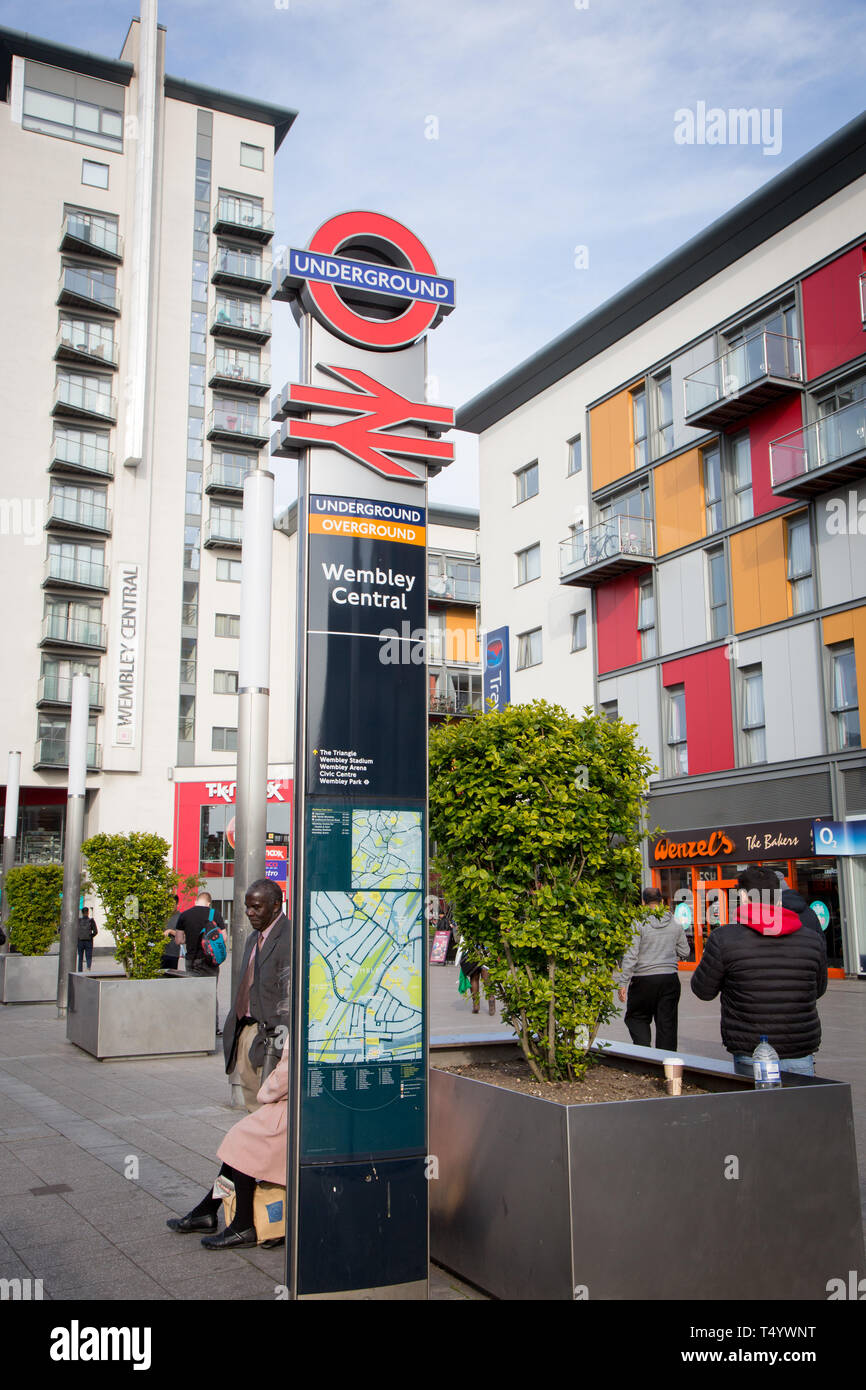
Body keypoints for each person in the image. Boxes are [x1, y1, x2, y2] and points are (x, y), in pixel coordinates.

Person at [691, 865, 827, 1075]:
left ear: (744, 897)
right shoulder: (812, 940)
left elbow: (703, 990)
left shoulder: (724, 939)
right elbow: (818, 989)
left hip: (750, 1047)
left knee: (754, 1107)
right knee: (800, 1106)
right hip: (800, 1047)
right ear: (779, 899)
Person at [166, 1038, 288, 1250]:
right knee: (240, 1143)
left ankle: (241, 1223)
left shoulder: (308, 1019)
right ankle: (208, 1210)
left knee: (243, 1142)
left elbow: (285, 1075)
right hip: (305, 1106)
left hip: (296, 1110)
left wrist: (266, 1090)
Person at [223, 879, 291, 1111]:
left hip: (271, 1039)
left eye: (256, 907)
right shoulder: (254, 937)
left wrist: (281, 1046)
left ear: (275, 905)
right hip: (247, 1032)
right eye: (247, 906)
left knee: (269, 1110)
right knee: (253, 1106)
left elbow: (288, 997)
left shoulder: (290, 938)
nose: (249, 913)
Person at [617, 887, 690, 1051]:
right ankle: (667, 1064)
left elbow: (631, 955)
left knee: (637, 1017)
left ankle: (645, 1054)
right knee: (667, 1024)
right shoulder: (675, 922)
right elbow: (685, 951)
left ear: (643, 902)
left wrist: (623, 982)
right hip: (669, 978)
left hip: (643, 980)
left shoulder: (638, 922)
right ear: (662, 901)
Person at [169, 891, 226, 1033]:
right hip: (210, 960)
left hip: (191, 959)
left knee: (193, 992)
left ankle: (194, 1026)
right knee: (211, 992)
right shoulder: (215, 914)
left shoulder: (185, 915)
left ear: (196, 901)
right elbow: (223, 937)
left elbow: (179, 940)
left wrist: (190, 939)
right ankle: (214, 1028)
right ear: (209, 903)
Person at [160, 895, 182, 973]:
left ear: (177, 905)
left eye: (172, 904)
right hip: (161, 952)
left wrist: (170, 931)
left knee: (171, 975)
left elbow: (182, 935)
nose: (170, 907)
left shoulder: (180, 917)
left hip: (173, 953)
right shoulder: (162, 916)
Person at [76, 907, 97, 971]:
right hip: (89, 941)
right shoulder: (91, 921)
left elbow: (75, 930)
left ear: (82, 913)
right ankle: (88, 967)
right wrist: (91, 936)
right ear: (88, 912)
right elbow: (96, 931)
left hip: (80, 941)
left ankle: (80, 970)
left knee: (80, 957)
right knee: (88, 956)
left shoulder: (79, 920)